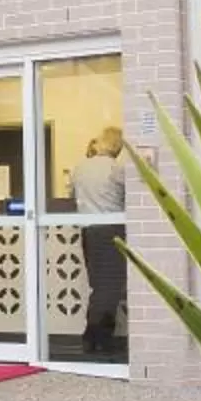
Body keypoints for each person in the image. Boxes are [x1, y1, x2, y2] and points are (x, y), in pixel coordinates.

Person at [70, 127, 129, 359]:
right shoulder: (116, 169)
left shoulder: (80, 167)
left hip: (87, 231)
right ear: (117, 146)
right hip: (111, 229)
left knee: (98, 285)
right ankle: (98, 338)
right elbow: (131, 197)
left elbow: (71, 195)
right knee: (110, 287)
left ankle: (93, 338)